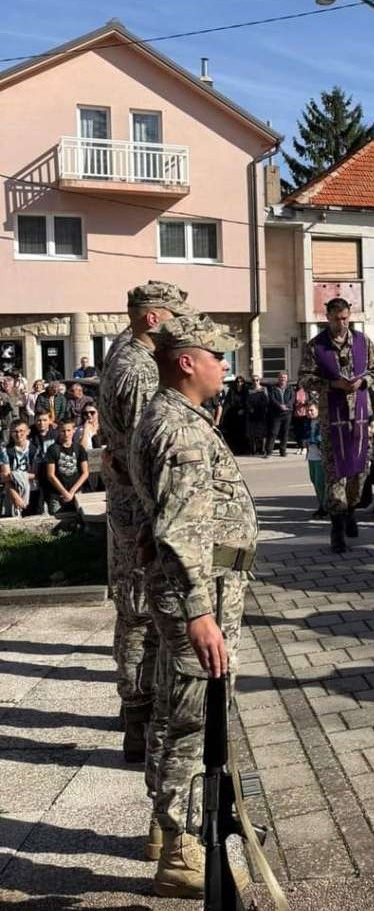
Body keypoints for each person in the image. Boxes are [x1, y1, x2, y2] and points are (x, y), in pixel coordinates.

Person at [130, 313, 257, 898]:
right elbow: (180, 530)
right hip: (198, 596)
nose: (224, 365)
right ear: (187, 362)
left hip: (198, 590)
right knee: (188, 718)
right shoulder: (178, 428)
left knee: (178, 709)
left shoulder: (177, 416)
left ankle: (168, 833)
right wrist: (199, 612)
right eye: (217, 356)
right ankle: (178, 849)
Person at [98, 279, 193, 764]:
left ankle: (137, 710)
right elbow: (144, 453)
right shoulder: (137, 368)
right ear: (154, 318)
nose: (181, 323)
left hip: (126, 502)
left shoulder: (123, 346)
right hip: (139, 509)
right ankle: (138, 718)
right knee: (139, 614)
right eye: (176, 314)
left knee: (136, 611)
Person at [297, 296, 374, 554]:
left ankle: (350, 511)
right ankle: (337, 529)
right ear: (328, 318)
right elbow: (304, 378)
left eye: (345, 318)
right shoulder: (315, 346)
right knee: (335, 473)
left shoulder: (362, 342)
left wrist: (364, 382)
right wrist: (331, 385)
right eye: (336, 319)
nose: (341, 323)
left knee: (358, 471)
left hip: (359, 419)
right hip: (331, 420)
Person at [43, 419, 89, 514]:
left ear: (74, 430)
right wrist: (65, 493)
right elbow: (51, 475)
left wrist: (72, 492)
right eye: (63, 431)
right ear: (59, 431)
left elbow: (85, 473)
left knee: (82, 514)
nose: (66, 434)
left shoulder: (79, 448)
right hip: (58, 492)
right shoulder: (52, 449)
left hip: (76, 490)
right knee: (57, 515)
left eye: (69, 430)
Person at [0, 420, 40, 516]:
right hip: (12, 490)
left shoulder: (35, 449)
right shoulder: (5, 451)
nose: (19, 434)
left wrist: (13, 475)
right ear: (11, 433)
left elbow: (38, 475)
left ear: (28, 432)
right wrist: (15, 497)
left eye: (21, 431)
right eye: (15, 432)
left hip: (33, 490)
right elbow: (5, 478)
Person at [264, 371, 294, 457]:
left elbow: (292, 399)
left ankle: (283, 451)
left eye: (284, 377)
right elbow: (272, 399)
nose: (282, 379)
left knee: (285, 433)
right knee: (273, 432)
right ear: (278, 378)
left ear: (287, 379)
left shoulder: (290, 388)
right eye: (281, 377)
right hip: (276, 413)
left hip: (287, 413)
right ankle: (269, 451)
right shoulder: (273, 388)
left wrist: (286, 406)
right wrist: (280, 406)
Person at [306, 402, 327, 520]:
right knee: (314, 479)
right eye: (308, 411)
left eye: (312, 410)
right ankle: (321, 504)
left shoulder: (321, 423)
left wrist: (315, 441)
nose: (310, 413)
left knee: (320, 482)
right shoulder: (308, 423)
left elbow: (321, 438)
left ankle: (324, 506)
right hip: (311, 456)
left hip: (320, 456)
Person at [221, 374, 249, 455]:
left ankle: (243, 450)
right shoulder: (232, 391)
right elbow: (227, 403)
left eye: (241, 382)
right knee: (233, 433)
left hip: (243, 415)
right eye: (237, 381)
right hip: (233, 415)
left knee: (242, 433)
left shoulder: (246, 390)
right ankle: (234, 450)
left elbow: (247, 402)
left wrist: (243, 410)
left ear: (243, 382)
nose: (239, 383)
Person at [246, 376, 268, 455]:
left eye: (257, 380)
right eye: (253, 380)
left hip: (261, 414)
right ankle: (253, 450)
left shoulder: (263, 390)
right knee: (252, 433)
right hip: (252, 415)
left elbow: (266, 401)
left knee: (262, 433)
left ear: (259, 381)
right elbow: (247, 402)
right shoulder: (249, 390)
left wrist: (260, 408)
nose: (255, 382)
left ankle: (262, 449)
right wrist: (250, 408)